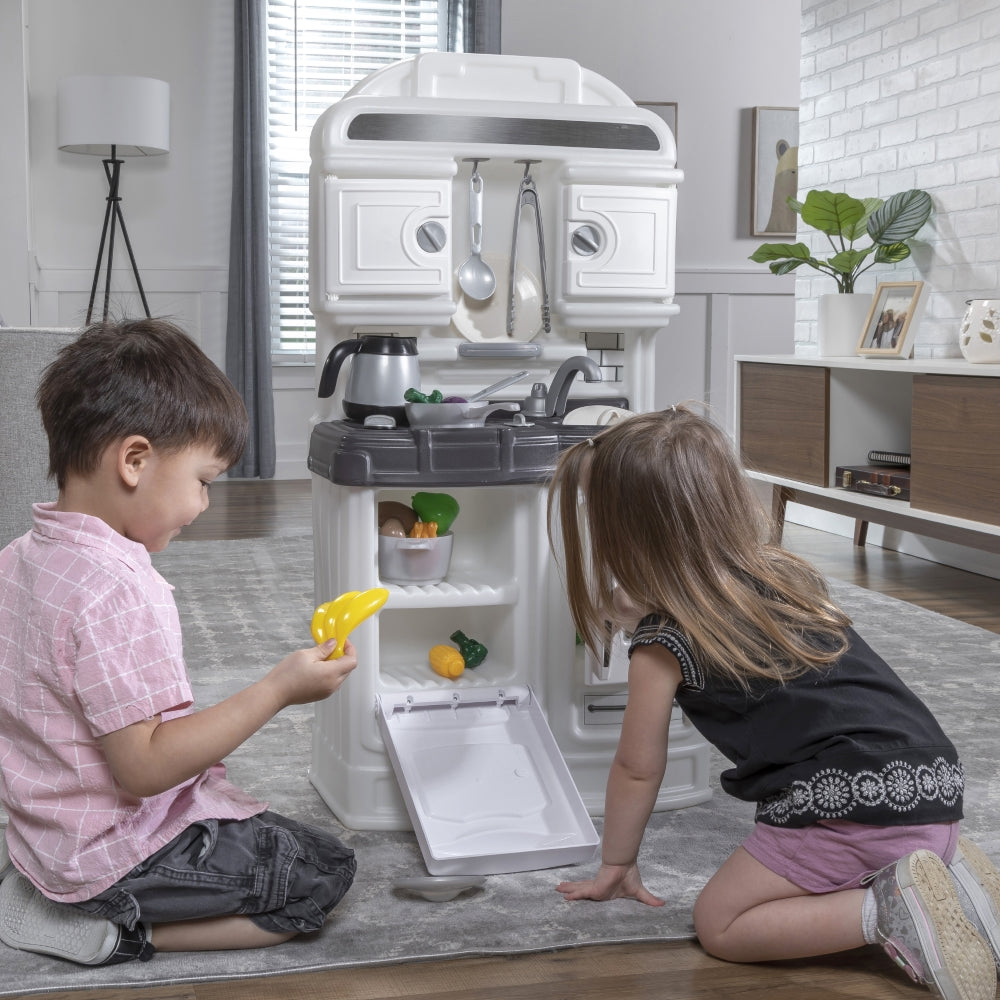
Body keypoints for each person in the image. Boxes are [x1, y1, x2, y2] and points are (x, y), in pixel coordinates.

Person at [546, 406, 1000, 1000]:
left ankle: (888, 911)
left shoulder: (661, 643)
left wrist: (617, 863)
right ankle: (945, 871)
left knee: (722, 924)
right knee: (871, 842)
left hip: (848, 802)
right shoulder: (785, 576)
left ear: (623, 536)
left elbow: (637, 766)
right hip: (932, 782)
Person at [0, 318, 358, 967]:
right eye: (203, 479)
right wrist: (279, 689)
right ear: (134, 460)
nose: (203, 504)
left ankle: (41, 886)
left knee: (271, 832)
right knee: (322, 871)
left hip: (44, 831)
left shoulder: (19, 559)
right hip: (109, 853)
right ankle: (111, 931)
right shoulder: (120, 593)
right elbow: (145, 768)